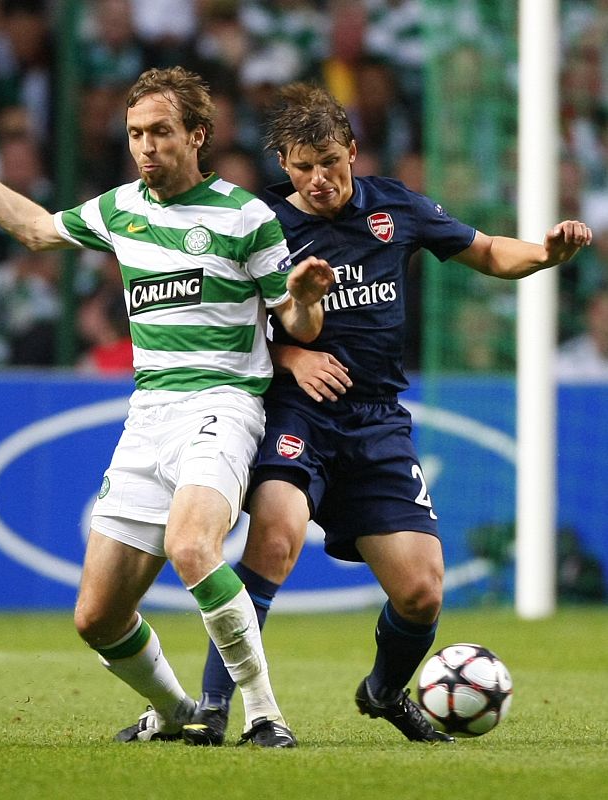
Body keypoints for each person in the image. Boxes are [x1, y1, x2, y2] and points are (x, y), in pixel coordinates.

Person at [0, 66, 334, 747]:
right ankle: (174, 713)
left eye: (161, 132)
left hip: (222, 405)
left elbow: (299, 325)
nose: (146, 146)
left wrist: (307, 296)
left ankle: (263, 715)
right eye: (137, 133)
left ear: (197, 135)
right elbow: (35, 229)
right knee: (97, 618)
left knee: (192, 545)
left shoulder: (245, 216)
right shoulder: (120, 210)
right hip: (149, 419)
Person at [183, 82, 592, 747]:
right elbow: (224, 324)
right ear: (283, 165)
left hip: (376, 422)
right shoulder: (261, 224)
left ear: (351, 149)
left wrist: (545, 254)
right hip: (298, 414)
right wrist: (288, 355)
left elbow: (487, 251)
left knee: (422, 592)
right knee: (276, 537)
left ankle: (383, 691)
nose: (320, 180)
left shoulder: (394, 205)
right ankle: (215, 706)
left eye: (331, 163)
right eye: (303, 167)